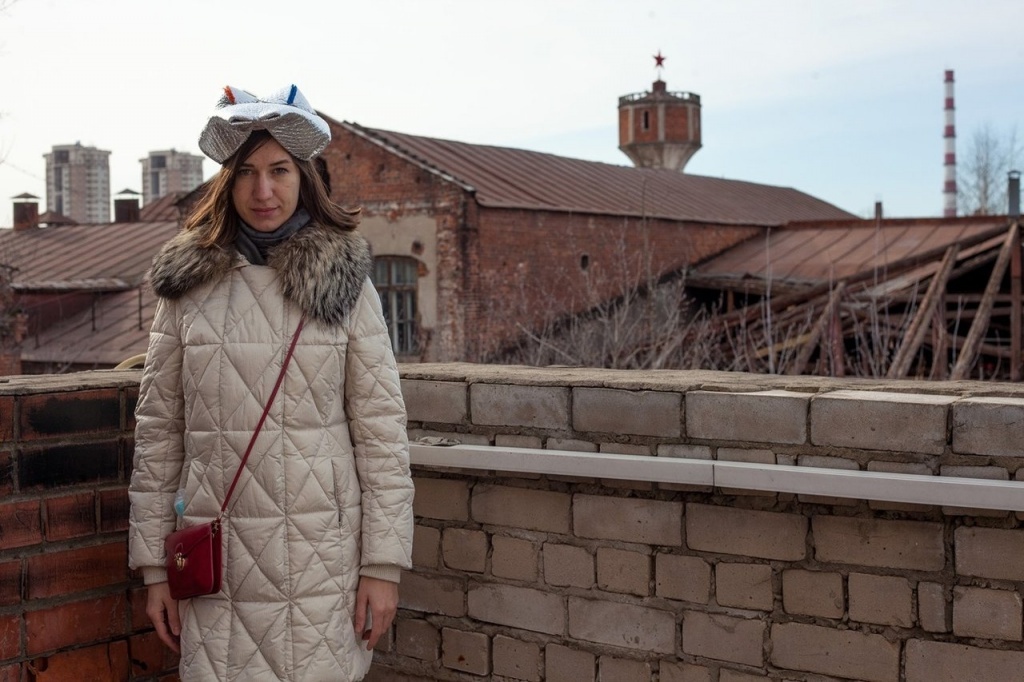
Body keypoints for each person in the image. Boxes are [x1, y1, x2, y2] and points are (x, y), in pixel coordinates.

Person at [128, 84, 414, 681]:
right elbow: (159, 436)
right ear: (226, 184)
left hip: (322, 566)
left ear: (304, 177)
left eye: (280, 170)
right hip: (216, 570)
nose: (264, 191)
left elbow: (382, 435)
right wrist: (156, 570)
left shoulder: (344, 284)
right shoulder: (187, 289)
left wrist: (383, 566)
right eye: (248, 173)